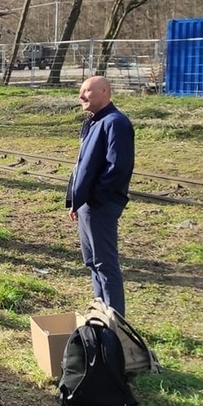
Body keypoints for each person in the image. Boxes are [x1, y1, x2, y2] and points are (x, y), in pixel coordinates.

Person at [66, 76, 135, 317]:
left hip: (99, 206)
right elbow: (82, 166)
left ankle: (115, 320)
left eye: (87, 91)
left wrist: (94, 198)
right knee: (92, 261)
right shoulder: (94, 122)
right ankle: (100, 312)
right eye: (80, 91)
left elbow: (118, 168)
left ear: (104, 91)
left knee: (105, 264)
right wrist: (76, 201)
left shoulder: (115, 123)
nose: (81, 96)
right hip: (87, 206)